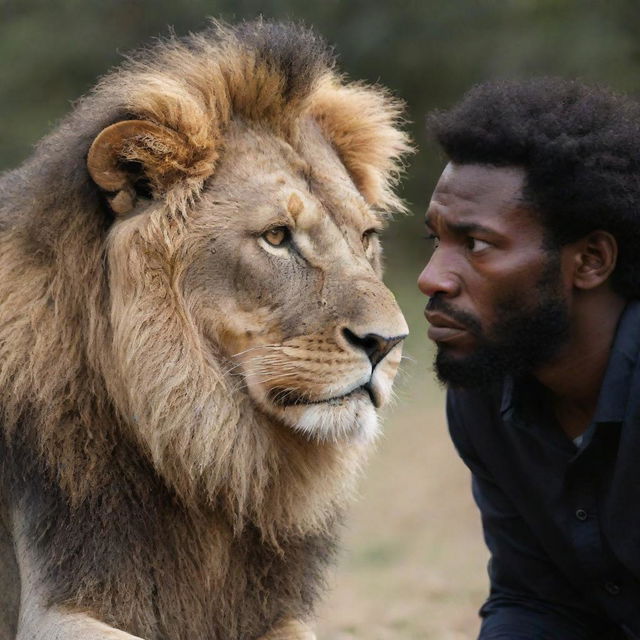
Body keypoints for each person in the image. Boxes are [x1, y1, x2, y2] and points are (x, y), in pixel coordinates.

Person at [417, 78, 640, 639]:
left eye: (477, 244)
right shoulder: (486, 391)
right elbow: (537, 601)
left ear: (589, 261)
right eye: (435, 241)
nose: (431, 278)